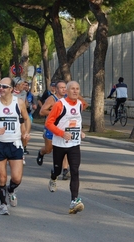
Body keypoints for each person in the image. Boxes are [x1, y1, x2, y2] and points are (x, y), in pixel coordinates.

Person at [0, 77, 31, 215]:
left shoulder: (19, 103)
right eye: (0, 86)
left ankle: (11, 190)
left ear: (11, 89)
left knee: (17, 178)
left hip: (15, 144)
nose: (1, 89)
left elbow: (26, 119)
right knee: (2, 178)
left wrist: (26, 133)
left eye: (4, 87)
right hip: (0, 144)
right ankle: (3, 204)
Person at [46, 81, 85, 214]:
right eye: (72, 89)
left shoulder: (80, 104)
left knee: (74, 171)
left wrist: (79, 131)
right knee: (57, 169)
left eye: (77, 89)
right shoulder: (59, 105)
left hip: (74, 144)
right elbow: (48, 123)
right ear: (66, 91)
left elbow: (77, 121)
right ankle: (53, 177)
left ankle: (74, 200)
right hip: (59, 144)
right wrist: (62, 133)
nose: (75, 91)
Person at [36, 80, 70, 180]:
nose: (64, 89)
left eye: (65, 87)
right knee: (49, 149)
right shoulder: (52, 99)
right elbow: (42, 111)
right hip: (51, 128)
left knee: (65, 148)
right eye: (61, 88)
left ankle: (65, 170)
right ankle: (41, 152)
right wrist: (55, 113)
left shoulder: (68, 99)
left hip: (63, 128)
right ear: (56, 89)